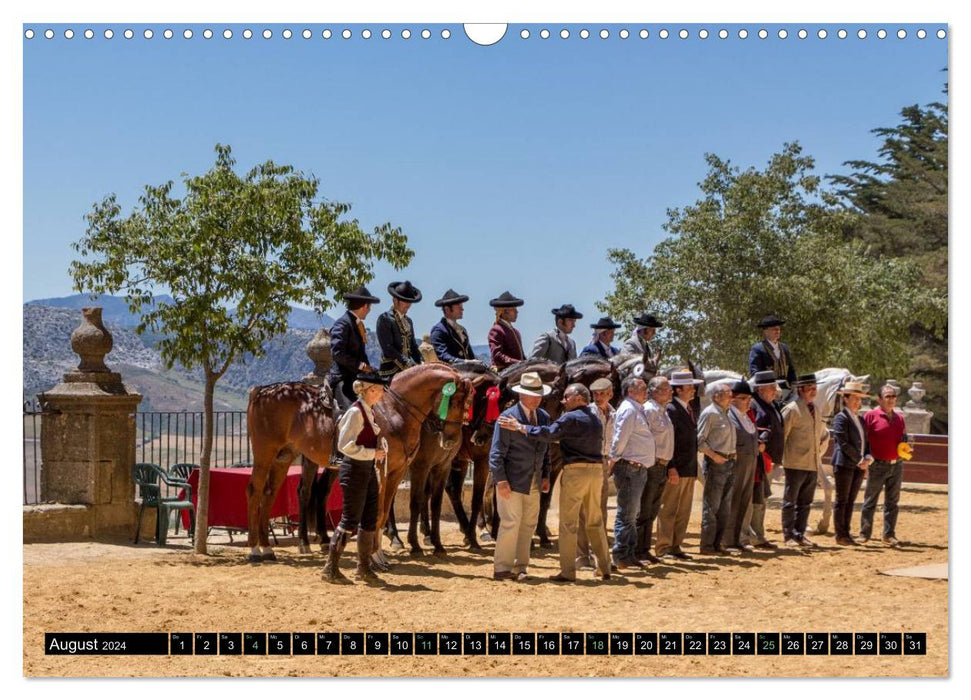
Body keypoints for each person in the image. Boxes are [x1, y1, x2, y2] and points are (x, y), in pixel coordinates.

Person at [498, 383, 610, 582]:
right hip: (596, 472)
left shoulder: (569, 418)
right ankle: (604, 567)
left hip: (576, 473)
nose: (563, 401)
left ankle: (567, 572)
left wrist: (520, 427)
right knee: (595, 520)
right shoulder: (595, 419)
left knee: (568, 523)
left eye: (566, 397)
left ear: (578, 398)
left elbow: (549, 435)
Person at [322, 371, 390, 584]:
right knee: (350, 518)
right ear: (370, 390)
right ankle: (330, 568)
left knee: (369, 517)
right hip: (354, 470)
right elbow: (344, 445)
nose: (382, 393)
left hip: (367, 469)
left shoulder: (368, 411)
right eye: (379, 390)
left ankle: (363, 568)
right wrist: (372, 453)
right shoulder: (356, 412)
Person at [489, 371, 552, 581]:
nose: (537, 399)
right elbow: (496, 453)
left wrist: (545, 475)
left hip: (533, 479)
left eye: (539, 395)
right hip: (512, 480)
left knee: (528, 524)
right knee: (510, 522)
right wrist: (501, 480)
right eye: (533, 395)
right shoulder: (507, 418)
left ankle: (520, 566)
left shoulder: (543, 417)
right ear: (521, 395)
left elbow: (546, 449)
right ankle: (502, 568)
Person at [656, 370, 704, 560]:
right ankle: (664, 546)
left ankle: (676, 545)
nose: (693, 390)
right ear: (678, 389)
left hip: (688, 467)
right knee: (669, 508)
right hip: (677, 468)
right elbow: (670, 441)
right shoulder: (672, 410)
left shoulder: (687, 409)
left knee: (683, 510)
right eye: (690, 387)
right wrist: (671, 467)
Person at [609, 376, 654, 569]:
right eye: (642, 388)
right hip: (629, 467)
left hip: (637, 467)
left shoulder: (636, 409)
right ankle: (621, 555)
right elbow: (620, 437)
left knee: (631, 513)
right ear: (630, 391)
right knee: (627, 513)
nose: (646, 392)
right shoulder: (628, 409)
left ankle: (628, 553)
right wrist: (614, 458)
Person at [781, 374, 829, 547]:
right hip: (795, 462)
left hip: (812, 463)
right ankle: (788, 535)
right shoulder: (792, 409)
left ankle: (800, 534)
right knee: (790, 501)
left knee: (805, 503)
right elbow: (783, 435)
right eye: (810, 388)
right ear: (800, 390)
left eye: (815, 388)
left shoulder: (815, 409)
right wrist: (781, 460)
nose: (813, 391)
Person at [859, 384, 910, 546]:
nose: (891, 399)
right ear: (879, 399)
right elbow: (863, 441)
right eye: (887, 396)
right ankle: (864, 534)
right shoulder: (870, 416)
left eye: (893, 396)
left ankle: (889, 535)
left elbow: (903, 439)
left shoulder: (900, 418)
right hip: (877, 465)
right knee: (870, 501)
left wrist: (906, 447)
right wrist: (865, 463)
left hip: (897, 465)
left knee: (892, 502)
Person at [576, 376, 615, 571]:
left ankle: (600, 555)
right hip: (589, 461)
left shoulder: (613, 414)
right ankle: (582, 556)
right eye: (596, 394)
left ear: (611, 394)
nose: (598, 397)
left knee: (600, 510)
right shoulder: (588, 413)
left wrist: (611, 459)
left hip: (603, 462)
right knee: (584, 511)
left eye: (602, 394)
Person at [636, 375, 674, 564]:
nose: (671, 391)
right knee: (644, 509)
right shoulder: (650, 410)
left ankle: (644, 549)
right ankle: (638, 550)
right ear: (655, 391)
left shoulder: (662, 411)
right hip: (652, 465)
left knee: (651, 510)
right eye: (667, 388)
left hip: (662, 466)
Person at [830, 381, 874, 546]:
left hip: (858, 465)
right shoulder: (841, 418)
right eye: (854, 398)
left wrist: (868, 456)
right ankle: (841, 534)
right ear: (846, 399)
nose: (858, 401)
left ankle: (846, 532)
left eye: (859, 398)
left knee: (850, 500)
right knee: (842, 500)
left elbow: (866, 442)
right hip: (844, 464)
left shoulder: (860, 420)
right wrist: (860, 459)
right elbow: (843, 444)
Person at [697, 383, 737, 554]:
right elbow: (700, 440)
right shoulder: (710, 413)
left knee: (724, 507)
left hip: (729, 462)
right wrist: (714, 456)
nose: (731, 396)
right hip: (716, 462)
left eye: (730, 393)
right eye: (726, 393)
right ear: (715, 396)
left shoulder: (727, 413)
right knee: (712, 506)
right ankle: (707, 545)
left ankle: (716, 544)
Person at [327, 285, 380, 412]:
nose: (369, 311)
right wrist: (361, 366)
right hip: (343, 379)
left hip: (356, 378)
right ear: (365, 306)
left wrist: (370, 370)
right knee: (353, 413)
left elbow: (360, 354)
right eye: (369, 307)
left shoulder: (357, 324)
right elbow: (337, 353)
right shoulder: (343, 324)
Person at [749, 370, 784, 549]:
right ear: (760, 389)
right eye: (771, 387)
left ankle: (758, 534)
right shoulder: (756, 405)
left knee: (762, 498)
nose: (775, 390)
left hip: (768, 460)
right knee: (758, 499)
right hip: (760, 460)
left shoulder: (772, 405)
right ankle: (755, 535)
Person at [725, 380, 760, 553]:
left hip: (750, 463)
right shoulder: (730, 416)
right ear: (733, 399)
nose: (748, 401)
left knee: (744, 501)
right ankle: (728, 539)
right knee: (733, 501)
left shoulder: (746, 417)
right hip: (736, 464)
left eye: (749, 398)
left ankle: (739, 537)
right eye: (744, 398)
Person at [376, 281, 423, 379]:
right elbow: (388, 348)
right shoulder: (385, 319)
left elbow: (413, 346)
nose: (408, 305)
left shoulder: (408, 321)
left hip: (408, 370)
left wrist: (421, 362)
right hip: (390, 371)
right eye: (405, 301)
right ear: (395, 300)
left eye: (410, 301)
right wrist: (407, 362)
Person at [748, 314, 797, 389]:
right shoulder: (758, 349)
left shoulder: (784, 348)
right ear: (766, 331)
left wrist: (794, 385)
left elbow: (791, 370)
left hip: (786, 389)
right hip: (767, 391)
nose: (777, 331)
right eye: (774, 329)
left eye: (778, 329)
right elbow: (755, 373)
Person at [429, 289, 475, 363]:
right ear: (447, 309)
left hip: (467, 370)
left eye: (461, 306)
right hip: (451, 371)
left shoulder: (462, 329)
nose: (462, 309)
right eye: (458, 306)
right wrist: (465, 362)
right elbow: (443, 355)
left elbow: (470, 355)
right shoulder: (439, 330)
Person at [488, 291, 526, 371]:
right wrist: (518, 363)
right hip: (504, 372)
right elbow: (497, 355)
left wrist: (527, 363)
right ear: (504, 312)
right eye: (513, 309)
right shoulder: (496, 330)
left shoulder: (516, 332)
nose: (517, 312)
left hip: (518, 370)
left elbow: (522, 355)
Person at [621, 313, 664, 379]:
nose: (654, 333)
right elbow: (627, 366)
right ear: (645, 330)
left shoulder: (648, 348)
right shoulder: (630, 344)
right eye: (652, 330)